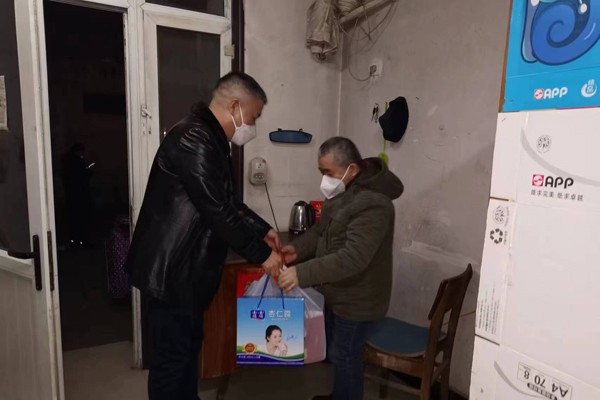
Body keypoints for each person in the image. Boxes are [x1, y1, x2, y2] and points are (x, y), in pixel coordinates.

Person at [126, 72, 283, 400]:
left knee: (186, 352)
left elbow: (228, 202)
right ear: (236, 106)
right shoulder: (194, 138)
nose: (253, 125)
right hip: (172, 273)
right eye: (254, 117)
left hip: (186, 275)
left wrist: (263, 230)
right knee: (172, 362)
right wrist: (263, 255)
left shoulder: (210, 140)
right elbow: (219, 211)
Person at [278, 137, 403, 400]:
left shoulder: (375, 204)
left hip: (359, 300)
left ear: (352, 169)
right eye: (321, 172)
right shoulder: (344, 194)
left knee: (344, 355)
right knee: (338, 352)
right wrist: (296, 250)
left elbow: (353, 257)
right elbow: (320, 232)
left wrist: (301, 273)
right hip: (338, 293)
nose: (324, 179)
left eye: (328, 172)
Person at [61, 143, 92, 247]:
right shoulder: (78, 162)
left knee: (73, 218)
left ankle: (75, 240)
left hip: (71, 195)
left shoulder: (67, 162)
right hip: (79, 194)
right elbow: (82, 177)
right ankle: (81, 241)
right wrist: (88, 172)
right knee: (80, 218)